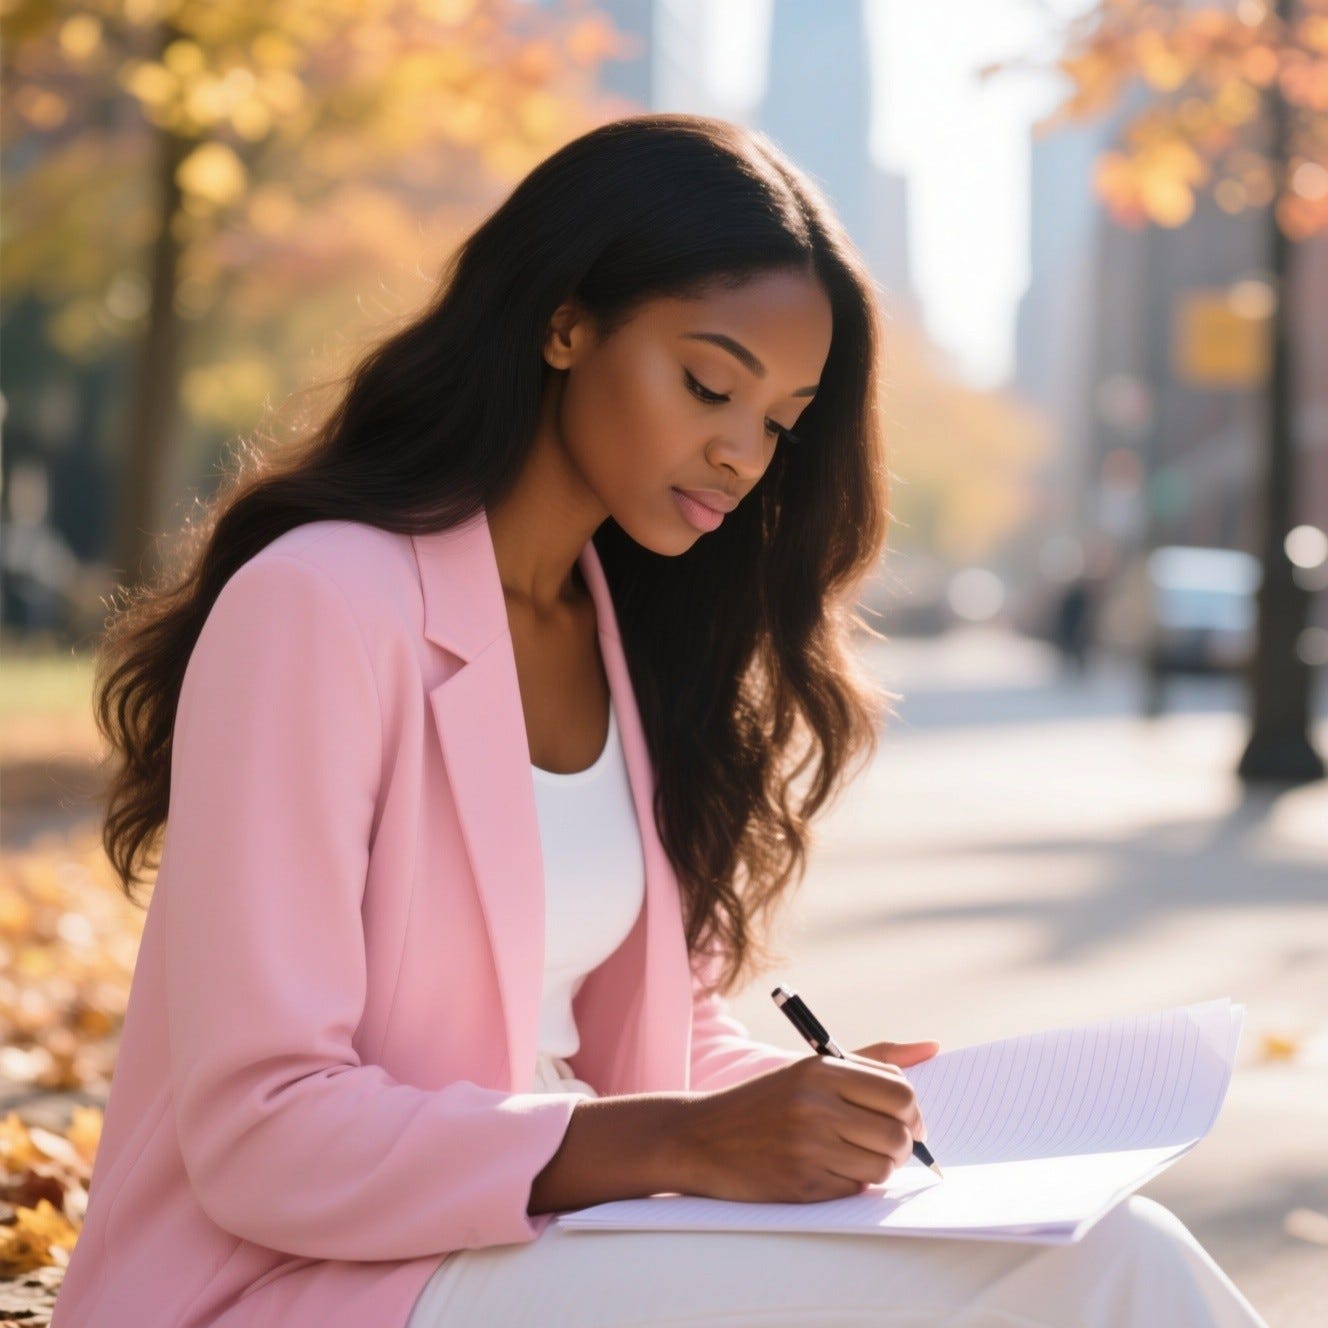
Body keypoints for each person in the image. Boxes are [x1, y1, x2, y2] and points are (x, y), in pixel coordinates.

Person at [54, 114, 1269, 1327]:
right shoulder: (323, 601)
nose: (741, 454)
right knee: (1109, 1276)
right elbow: (266, 1132)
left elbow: (657, 1047)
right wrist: (683, 1139)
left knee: (1115, 1242)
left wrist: (820, 1107)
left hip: (556, 1235)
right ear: (565, 320)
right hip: (321, 1282)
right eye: (707, 383)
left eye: (780, 420)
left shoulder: (621, 636)